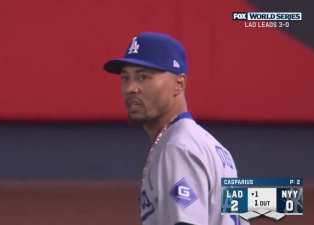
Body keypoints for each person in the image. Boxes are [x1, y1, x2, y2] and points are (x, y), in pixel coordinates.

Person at [103, 32, 248, 225]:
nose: (131, 88)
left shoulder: (178, 148)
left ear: (179, 84)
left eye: (143, 77)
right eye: (125, 78)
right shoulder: (212, 147)